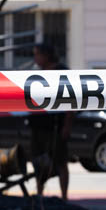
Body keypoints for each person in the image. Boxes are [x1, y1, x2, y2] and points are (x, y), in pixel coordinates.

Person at [30, 42, 73, 200]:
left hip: (56, 124)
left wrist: (67, 124)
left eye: (37, 54)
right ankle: (40, 194)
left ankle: (64, 196)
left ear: (46, 55)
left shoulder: (62, 72)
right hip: (38, 125)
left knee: (60, 160)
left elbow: (72, 100)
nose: (35, 58)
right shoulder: (38, 72)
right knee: (38, 160)